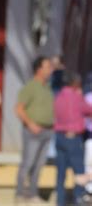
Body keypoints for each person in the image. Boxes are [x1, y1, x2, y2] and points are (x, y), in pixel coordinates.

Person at [15, 56, 54, 203]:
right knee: (28, 163)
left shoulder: (47, 87)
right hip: (33, 132)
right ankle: (20, 194)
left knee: (39, 164)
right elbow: (18, 109)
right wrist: (31, 124)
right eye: (48, 66)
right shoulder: (30, 86)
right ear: (39, 69)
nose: (50, 70)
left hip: (47, 131)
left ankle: (32, 194)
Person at [54, 71, 92, 206]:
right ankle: (78, 200)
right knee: (79, 172)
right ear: (75, 83)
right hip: (73, 138)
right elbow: (89, 110)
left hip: (59, 137)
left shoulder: (58, 96)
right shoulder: (76, 97)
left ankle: (60, 201)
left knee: (61, 173)